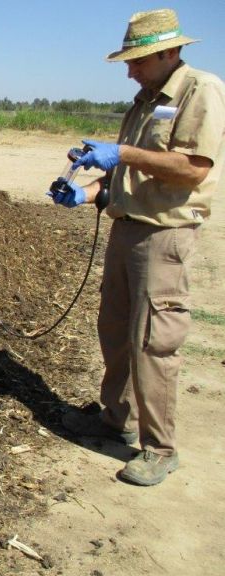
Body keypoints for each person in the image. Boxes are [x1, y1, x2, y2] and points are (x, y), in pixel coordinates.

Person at [50, 8, 225, 486]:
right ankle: (114, 418)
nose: (130, 70)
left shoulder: (200, 90)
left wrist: (122, 152)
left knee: (153, 340)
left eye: (139, 61)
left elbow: (192, 168)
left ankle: (159, 447)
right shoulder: (143, 102)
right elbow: (122, 175)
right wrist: (84, 192)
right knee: (115, 329)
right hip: (126, 229)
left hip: (163, 236)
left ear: (170, 52)